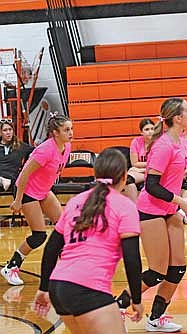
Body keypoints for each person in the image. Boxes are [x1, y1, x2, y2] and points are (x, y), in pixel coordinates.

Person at [32, 148, 143, 334]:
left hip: (59, 286)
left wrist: (44, 288)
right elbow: (132, 259)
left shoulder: (76, 201)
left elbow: (51, 248)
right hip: (89, 288)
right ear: (124, 177)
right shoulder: (125, 206)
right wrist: (137, 299)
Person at [115, 97, 187, 332]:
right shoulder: (163, 145)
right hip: (151, 211)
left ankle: (156, 317)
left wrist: (177, 204)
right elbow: (152, 185)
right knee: (157, 272)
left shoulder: (177, 141)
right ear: (177, 118)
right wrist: (181, 200)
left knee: (177, 268)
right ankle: (118, 305)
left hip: (169, 210)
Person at [1, 113, 72, 286]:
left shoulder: (67, 146)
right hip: (27, 191)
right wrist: (18, 201)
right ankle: (11, 266)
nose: (71, 133)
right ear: (55, 133)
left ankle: (67, 267)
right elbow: (24, 174)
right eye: (66, 130)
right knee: (39, 235)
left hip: (43, 190)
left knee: (64, 227)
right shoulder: (45, 150)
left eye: (71, 129)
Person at [123, 118, 155, 202]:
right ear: (141, 132)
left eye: (152, 129)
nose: (150, 131)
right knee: (126, 179)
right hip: (142, 170)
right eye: (147, 129)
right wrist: (146, 166)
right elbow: (134, 163)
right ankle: (134, 206)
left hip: (154, 171)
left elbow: (157, 164)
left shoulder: (159, 142)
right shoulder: (136, 142)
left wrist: (141, 168)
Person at [0, 119, 33, 192]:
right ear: (1, 132)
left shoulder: (21, 146)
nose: (8, 132)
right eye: (5, 130)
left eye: (10, 129)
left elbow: (38, 152)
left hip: (10, 180)